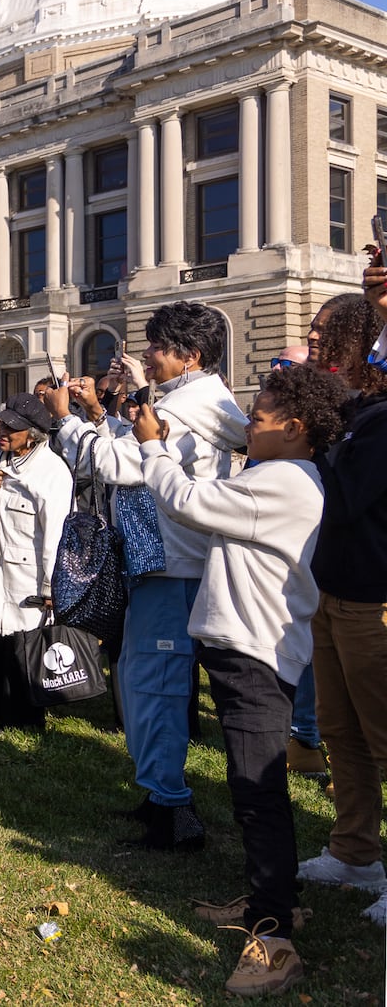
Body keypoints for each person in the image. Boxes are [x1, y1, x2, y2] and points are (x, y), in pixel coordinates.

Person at [137, 365, 346, 996]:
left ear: (295, 427)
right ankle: (268, 900)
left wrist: (151, 443)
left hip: (257, 656)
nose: (244, 427)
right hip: (243, 651)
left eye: (255, 419)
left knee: (260, 795)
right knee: (250, 788)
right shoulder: (274, 473)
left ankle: (275, 936)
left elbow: (187, 502)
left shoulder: (287, 482)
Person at [49, 301, 246, 851]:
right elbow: (133, 447)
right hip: (162, 562)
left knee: (155, 686)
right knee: (142, 680)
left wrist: (67, 418)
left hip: (171, 564)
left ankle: (173, 809)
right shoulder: (196, 400)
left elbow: (114, 463)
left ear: (191, 355)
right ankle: (159, 793)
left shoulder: (189, 407)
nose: (150, 357)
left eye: (158, 347)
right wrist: (107, 410)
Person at [297, 291, 387, 927]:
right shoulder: (354, 412)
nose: (316, 339)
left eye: (328, 331)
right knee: (342, 735)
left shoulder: (381, 418)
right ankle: (355, 853)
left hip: (372, 599)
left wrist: (310, 446)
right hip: (332, 597)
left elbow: (348, 496)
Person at [0, 393, 73, 731]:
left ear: (34, 433)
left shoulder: (52, 471)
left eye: (11, 427)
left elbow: (54, 532)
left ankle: (27, 719)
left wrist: (51, 586)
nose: (2, 431)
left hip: (28, 573)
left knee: (25, 649)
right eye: (0, 423)